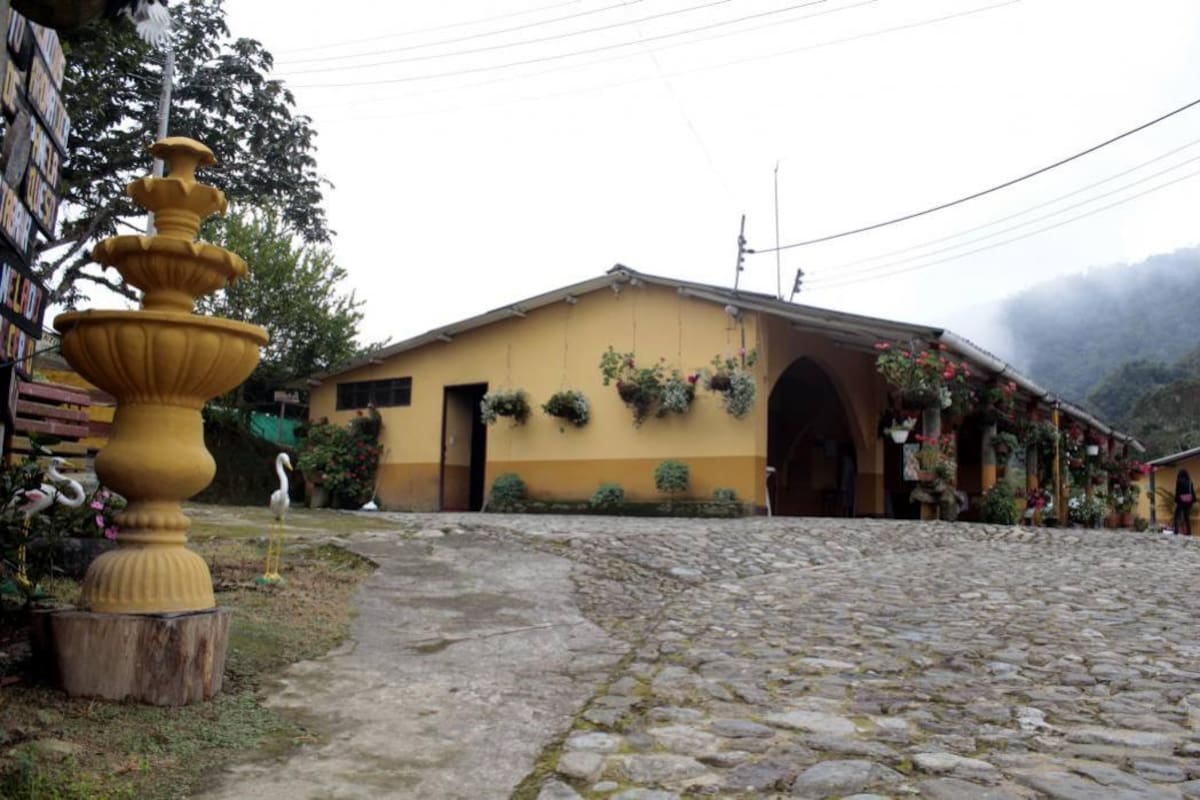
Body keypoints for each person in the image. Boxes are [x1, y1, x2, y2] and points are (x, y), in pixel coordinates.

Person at [1174, 469, 1195, 536]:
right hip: (1189, 502)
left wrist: (1176, 501)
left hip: (1181, 501)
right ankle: (1189, 532)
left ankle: (1176, 531)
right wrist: (1193, 500)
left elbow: (1178, 492)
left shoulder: (1179, 481)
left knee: (1177, 516)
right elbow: (1192, 492)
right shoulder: (1190, 482)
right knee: (1186, 517)